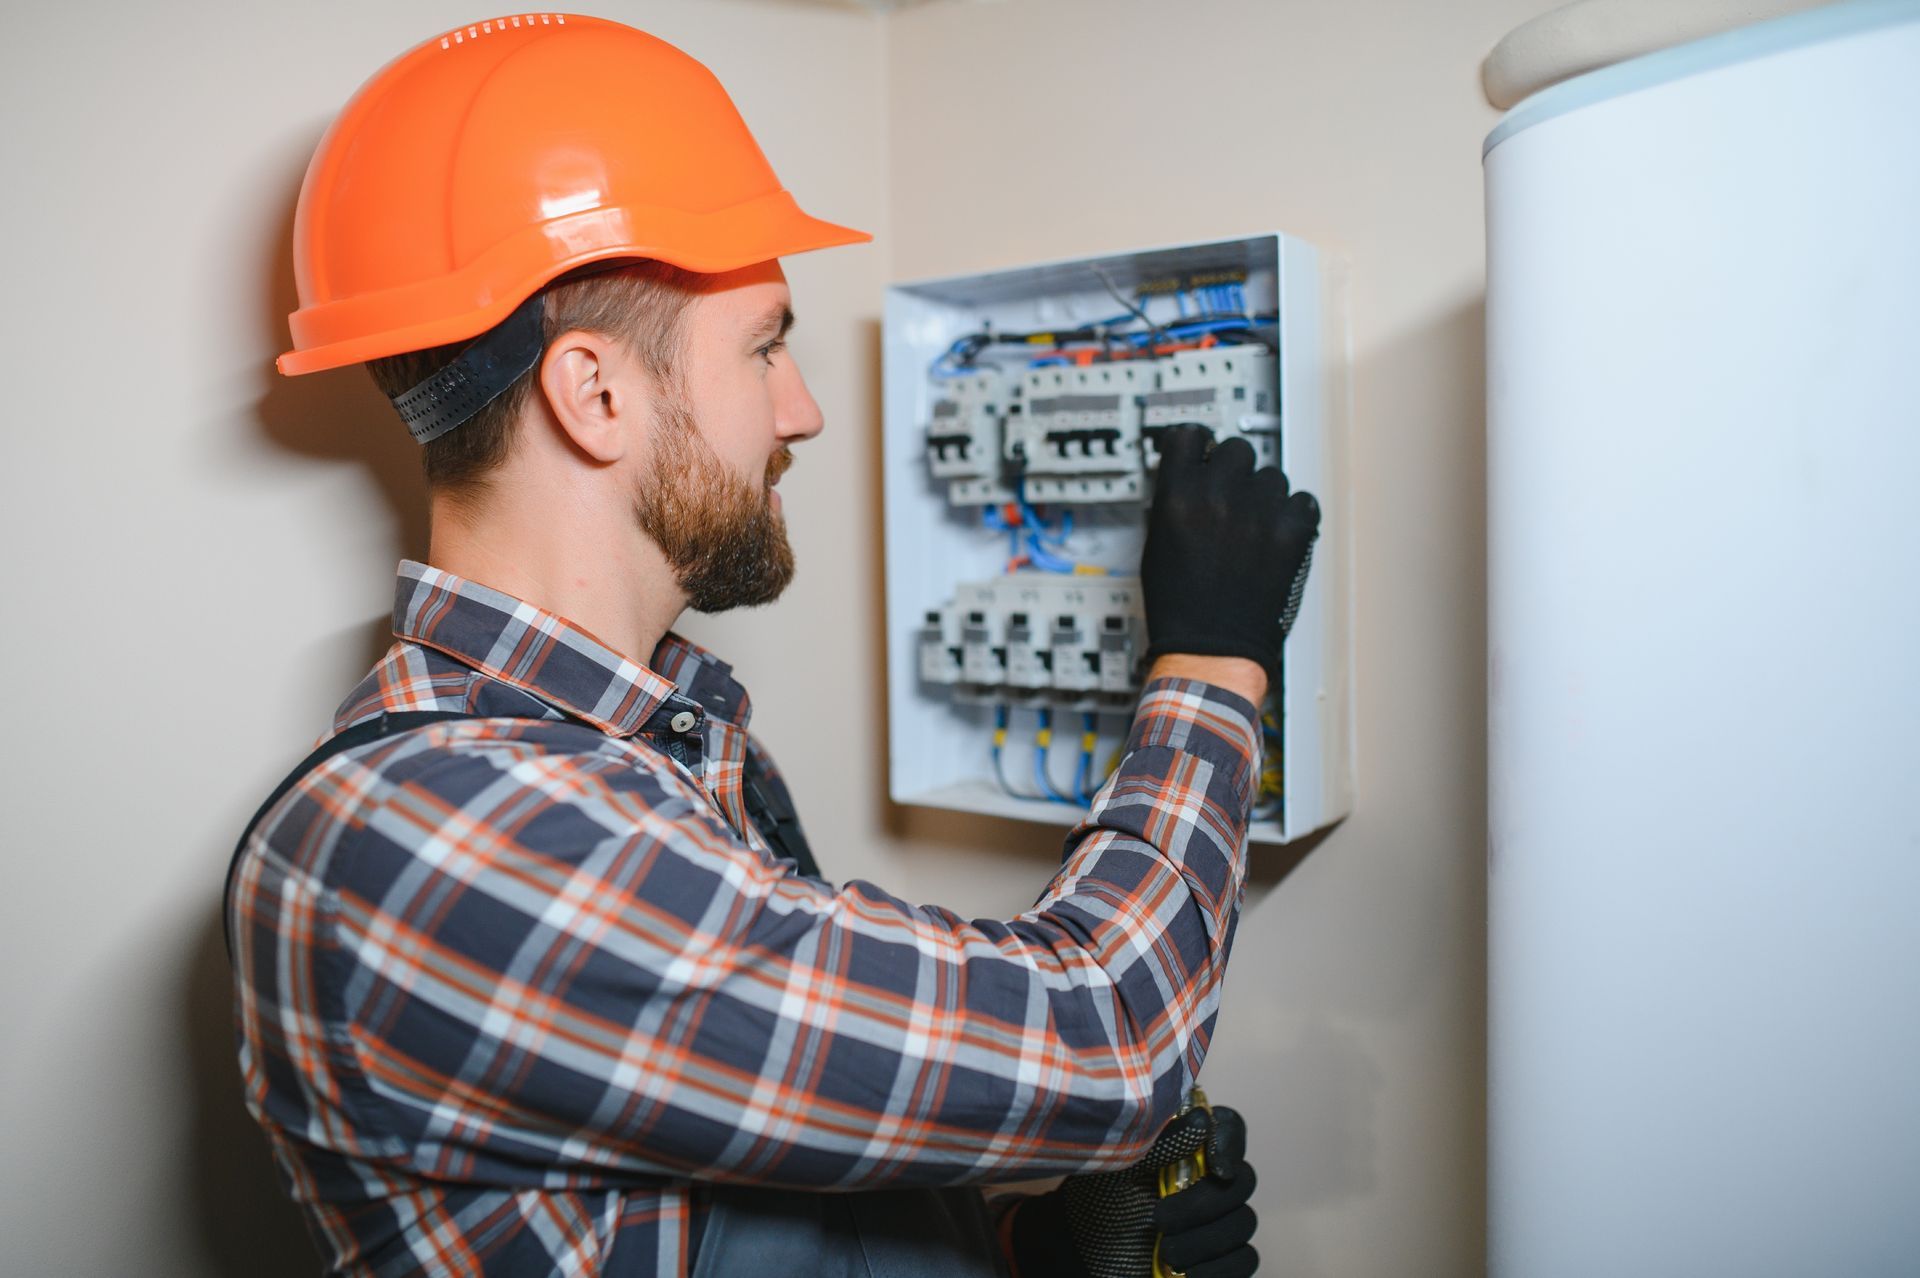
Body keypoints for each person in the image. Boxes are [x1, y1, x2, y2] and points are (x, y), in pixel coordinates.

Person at [227, 14, 1319, 1278]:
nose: (799, 410)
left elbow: (740, 1165)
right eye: (764, 346)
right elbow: (1111, 1042)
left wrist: (1030, 1244)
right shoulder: (435, 833)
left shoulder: (644, 755)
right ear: (595, 396)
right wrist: (1210, 661)